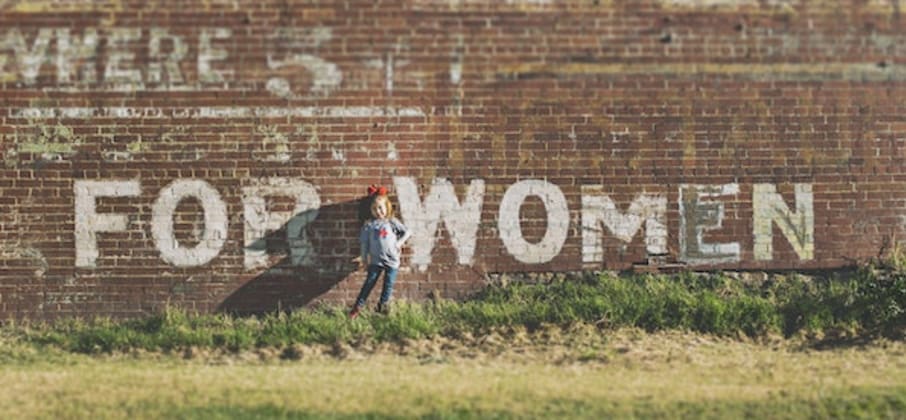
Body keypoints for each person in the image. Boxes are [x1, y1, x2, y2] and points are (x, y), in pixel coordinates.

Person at [349, 188, 410, 318]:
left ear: (387, 207)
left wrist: (399, 243)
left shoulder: (391, 221)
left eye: (381, 208)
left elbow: (407, 232)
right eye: (375, 209)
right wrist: (364, 259)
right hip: (375, 261)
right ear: (371, 210)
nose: (378, 211)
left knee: (388, 285)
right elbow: (364, 244)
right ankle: (357, 308)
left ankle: (382, 308)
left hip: (392, 260)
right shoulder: (369, 225)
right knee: (369, 284)